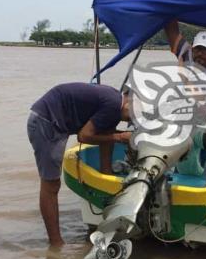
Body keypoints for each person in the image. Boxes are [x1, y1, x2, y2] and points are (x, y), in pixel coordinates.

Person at [27, 82, 132, 246]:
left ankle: (57, 241)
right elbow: (84, 137)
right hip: (46, 122)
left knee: (109, 134)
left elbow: (106, 132)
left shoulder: (115, 101)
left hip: (51, 118)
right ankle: (56, 243)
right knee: (51, 184)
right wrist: (119, 137)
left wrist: (107, 175)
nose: (132, 119)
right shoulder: (113, 105)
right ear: (129, 102)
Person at [164, 20, 206, 186]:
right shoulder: (187, 55)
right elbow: (172, 32)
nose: (199, 54)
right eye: (197, 49)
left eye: (205, 51)